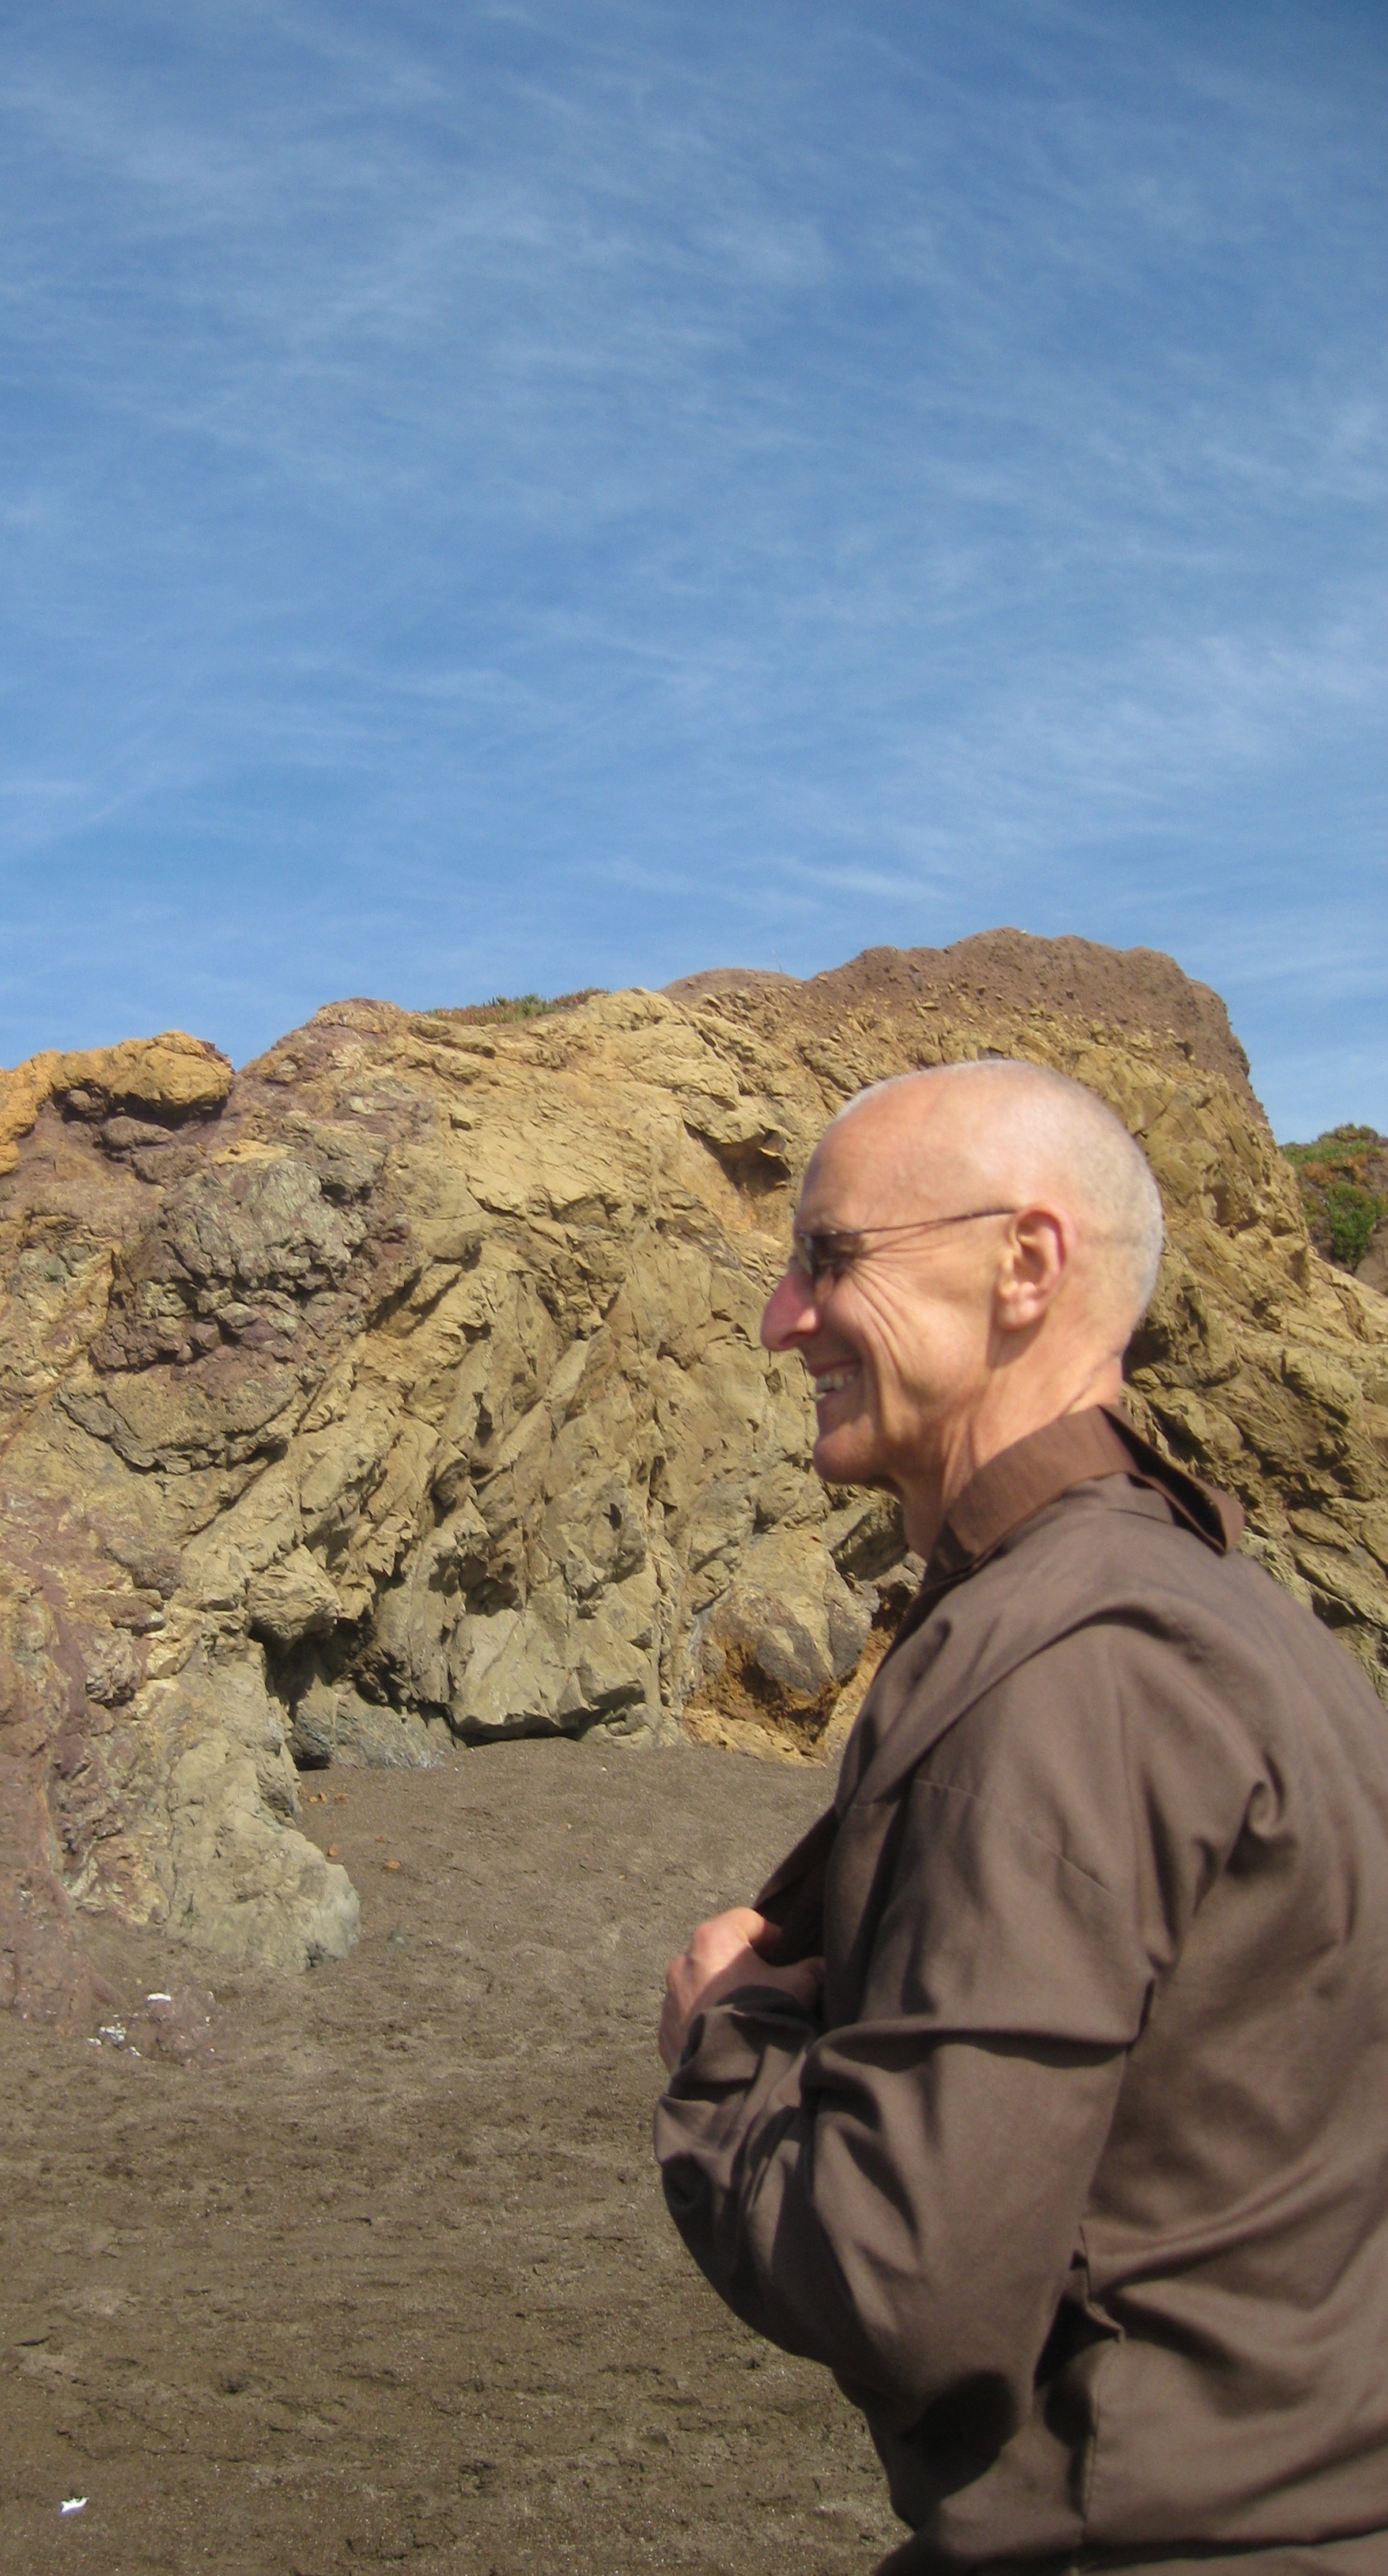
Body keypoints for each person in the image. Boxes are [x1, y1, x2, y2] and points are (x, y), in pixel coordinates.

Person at [653, 1059, 1388, 2576]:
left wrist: (720, 2051)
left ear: (1026, 1268)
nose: (784, 1315)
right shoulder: (1242, 1620)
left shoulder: (1059, 1670)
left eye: (829, 1256)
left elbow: (911, 2283)